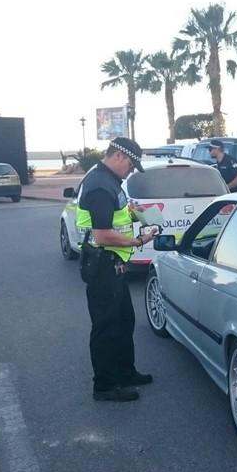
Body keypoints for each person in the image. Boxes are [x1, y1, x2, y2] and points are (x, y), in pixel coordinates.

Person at [76, 137, 157, 402]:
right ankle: (105, 385)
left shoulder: (110, 181)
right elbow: (102, 235)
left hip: (115, 264)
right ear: (119, 157)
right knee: (106, 327)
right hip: (103, 265)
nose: (131, 170)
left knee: (124, 322)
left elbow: (115, 216)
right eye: (132, 165)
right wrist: (138, 241)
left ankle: (125, 372)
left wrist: (136, 214)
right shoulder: (100, 185)